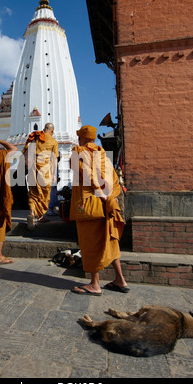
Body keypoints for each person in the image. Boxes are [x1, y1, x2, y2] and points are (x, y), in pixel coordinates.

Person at [69, 125, 129, 295]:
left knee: (91, 243)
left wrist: (102, 195)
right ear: (94, 139)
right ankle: (120, 280)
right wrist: (111, 197)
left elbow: (88, 175)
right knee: (110, 241)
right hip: (108, 202)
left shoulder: (78, 151)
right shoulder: (102, 154)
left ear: (81, 137)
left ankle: (94, 284)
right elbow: (114, 178)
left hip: (90, 204)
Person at [21, 123, 59, 229]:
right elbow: (55, 159)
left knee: (33, 192)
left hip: (33, 169)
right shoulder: (53, 141)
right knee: (44, 194)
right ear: (52, 131)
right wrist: (55, 174)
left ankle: (32, 213)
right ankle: (41, 216)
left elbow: (26, 151)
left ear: (44, 129)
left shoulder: (35, 138)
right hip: (45, 171)